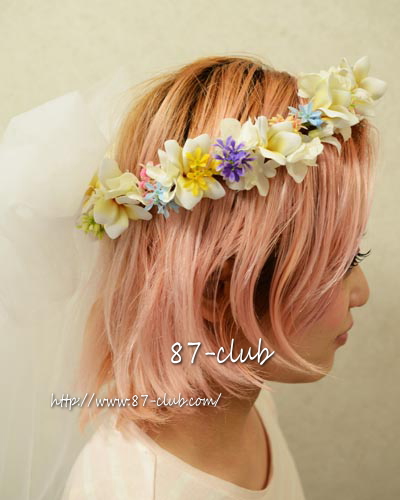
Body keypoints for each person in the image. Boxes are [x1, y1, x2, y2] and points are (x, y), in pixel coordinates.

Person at [1, 54, 386, 500]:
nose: (362, 293)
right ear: (216, 292)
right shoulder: (128, 491)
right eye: (339, 264)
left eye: (355, 254)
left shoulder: (252, 405)